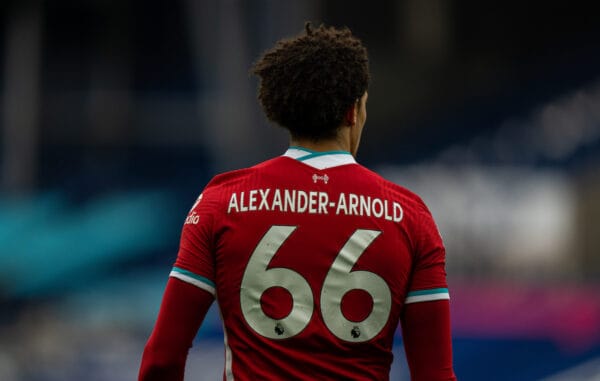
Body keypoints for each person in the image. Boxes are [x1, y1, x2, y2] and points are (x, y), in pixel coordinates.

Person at [139, 23, 456, 381]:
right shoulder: (409, 216)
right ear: (353, 111)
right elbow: (436, 375)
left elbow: (162, 359)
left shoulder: (222, 201)